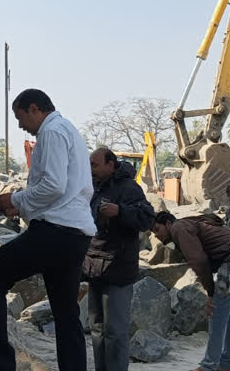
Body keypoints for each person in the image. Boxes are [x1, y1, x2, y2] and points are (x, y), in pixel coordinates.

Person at [0, 88, 96, 371]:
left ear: (34, 108)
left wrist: (15, 199)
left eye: (20, 117)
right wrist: (21, 206)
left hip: (56, 231)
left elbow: (53, 186)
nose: (20, 125)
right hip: (75, 234)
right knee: (65, 313)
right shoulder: (67, 129)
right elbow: (60, 189)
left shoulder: (52, 131)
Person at [151, 211, 230, 371]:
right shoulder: (187, 223)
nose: (156, 235)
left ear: (168, 224)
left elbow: (198, 261)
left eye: (157, 229)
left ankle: (209, 365)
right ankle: (225, 364)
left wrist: (211, 293)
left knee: (217, 313)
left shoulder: (178, 228)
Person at [83, 148, 155, 371]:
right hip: (93, 269)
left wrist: (120, 211)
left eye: (94, 165)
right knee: (96, 328)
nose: (90, 169)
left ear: (110, 165)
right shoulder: (92, 188)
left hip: (118, 271)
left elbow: (147, 218)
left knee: (115, 331)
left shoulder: (129, 188)